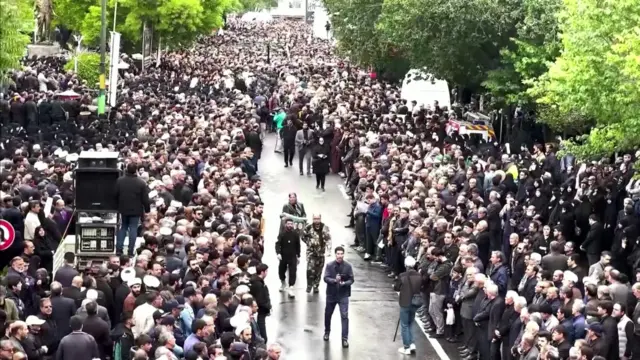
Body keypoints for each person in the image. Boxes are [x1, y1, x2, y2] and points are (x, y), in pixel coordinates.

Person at [114, 163, 150, 256]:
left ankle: (119, 250)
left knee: (123, 227)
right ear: (136, 170)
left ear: (126, 169)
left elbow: (115, 195)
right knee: (133, 228)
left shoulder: (120, 181)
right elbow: (145, 199)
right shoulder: (141, 182)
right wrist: (147, 210)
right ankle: (130, 251)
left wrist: (117, 206)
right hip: (136, 209)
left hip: (123, 208)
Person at [323, 246, 354, 348]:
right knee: (328, 314)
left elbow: (352, 279)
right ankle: (327, 331)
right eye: (338, 254)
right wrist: (334, 281)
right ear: (335, 254)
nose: (340, 255)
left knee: (344, 316)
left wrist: (344, 283)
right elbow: (325, 278)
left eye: (341, 254)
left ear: (343, 254)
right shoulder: (329, 265)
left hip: (343, 295)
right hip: (331, 294)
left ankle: (344, 339)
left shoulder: (348, 266)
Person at [393, 256, 422, 355]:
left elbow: (396, 288)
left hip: (405, 302)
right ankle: (412, 343)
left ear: (405, 265)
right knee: (410, 323)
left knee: (404, 325)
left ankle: (406, 347)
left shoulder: (402, 275)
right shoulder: (419, 275)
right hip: (415, 302)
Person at [303, 214, 332, 293]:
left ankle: (316, 286)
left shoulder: (325, 227)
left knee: (318, 270)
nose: (316, 220)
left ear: (320, 218)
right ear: (312, 219)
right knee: (310, 270)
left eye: (318, 218)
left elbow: (328, 239)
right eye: (315, 218)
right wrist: (309, 242)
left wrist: (329, 250)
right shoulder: (308, 227)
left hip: (321, 253)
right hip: (311, 253)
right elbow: (302, 236)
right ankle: (309, 285)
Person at [275, 218, 301, 298]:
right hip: (283, 256)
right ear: (286, 224)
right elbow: (278, 244)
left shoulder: (295, 234)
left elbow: (298, 245)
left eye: (291, 224)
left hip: (293, 256)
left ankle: (291, 287)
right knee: (281, 271)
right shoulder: (282, 234)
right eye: (288, 224)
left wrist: (298, 256)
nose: (290, 225)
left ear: (293, 224)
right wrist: (278, 253)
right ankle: (283, 282)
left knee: (293, 271)